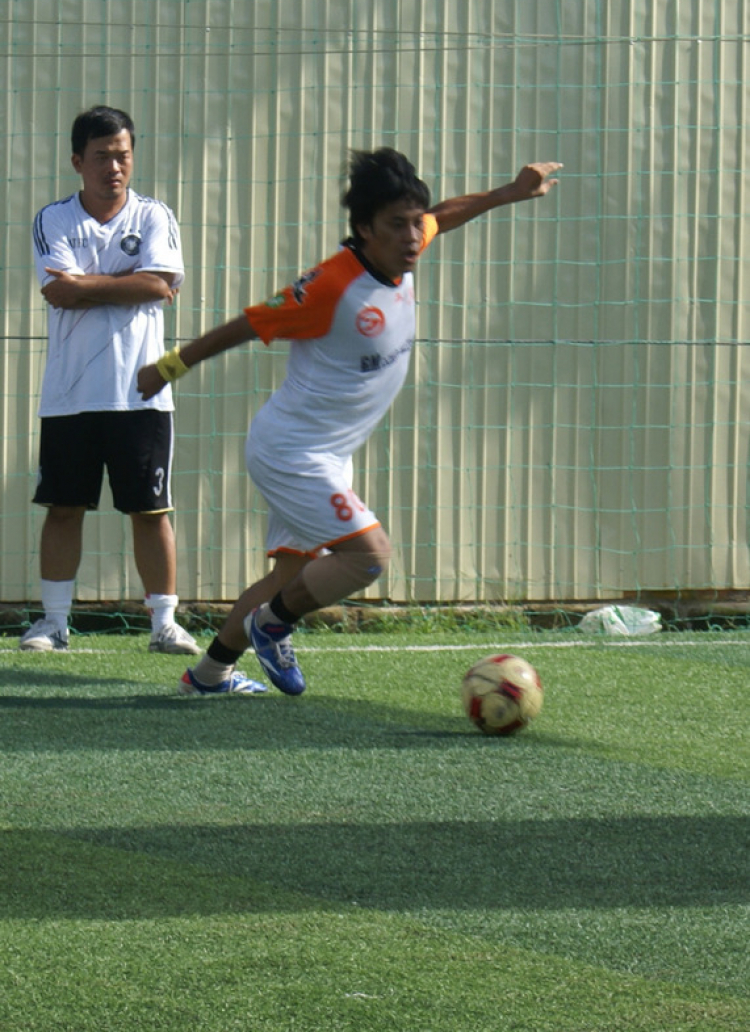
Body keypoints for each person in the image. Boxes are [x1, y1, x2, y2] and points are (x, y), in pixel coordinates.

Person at [138, 148, 561, 695]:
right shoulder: (331, 287)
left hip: (327, 453)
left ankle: (208, 676)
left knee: (288, 580)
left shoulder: (400, 249)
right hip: (292, 454)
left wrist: (508, 191)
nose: (413, 236)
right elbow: (246, 325)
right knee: (368, 555)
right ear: (364, 229)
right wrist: (170, 366)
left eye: (415, 223)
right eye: (397, 225)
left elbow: (445, 216)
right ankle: (272, 625)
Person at [21, 105, 200, 656]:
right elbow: (58, 290)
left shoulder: (154, 216)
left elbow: (159, 286)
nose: (113, 167)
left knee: (150, 511)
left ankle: (164, 624)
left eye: (122, 155)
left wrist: (91, 286)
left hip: (141, 394)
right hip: (70, 395)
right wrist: (129, 279)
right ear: (78, 162)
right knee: (64, 507)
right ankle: (53, 623)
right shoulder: (53, 219)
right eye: (101, 157)